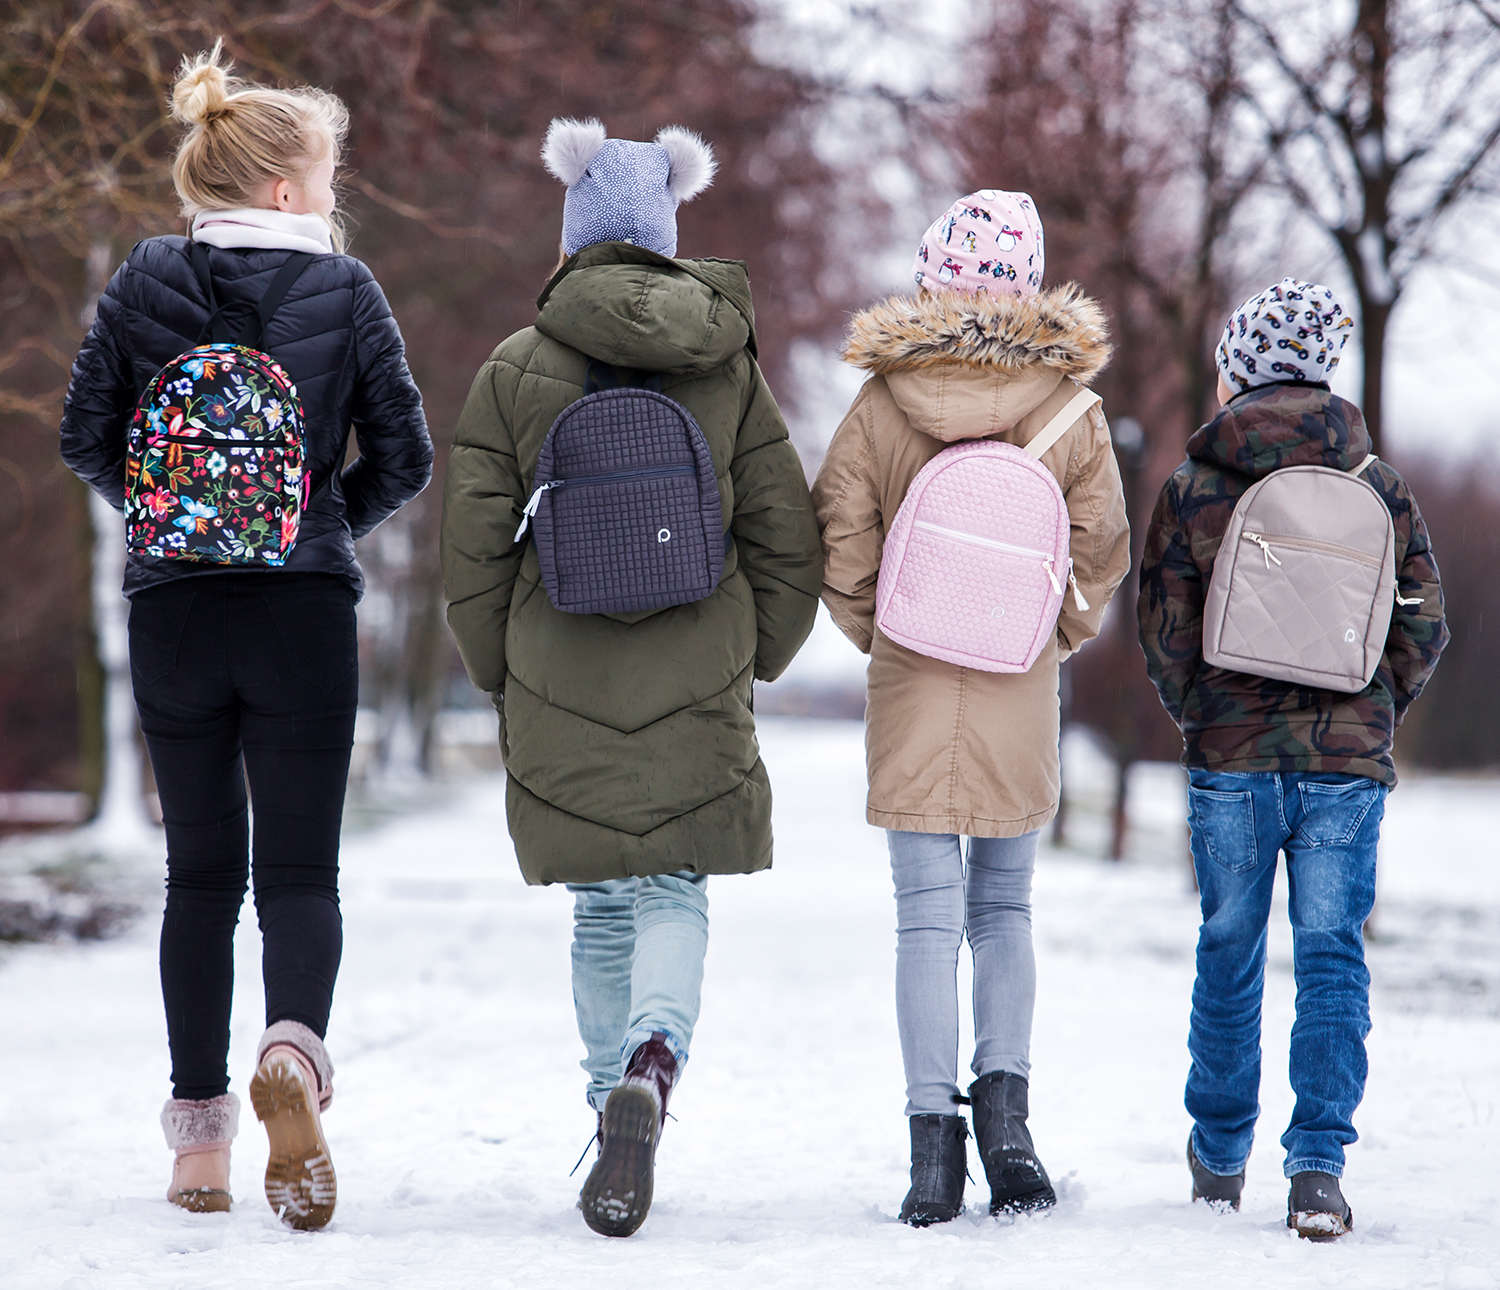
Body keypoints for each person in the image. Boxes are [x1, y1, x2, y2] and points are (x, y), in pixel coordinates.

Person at [59, 43, 432, 1229]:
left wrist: (168, 520)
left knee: (199, 880)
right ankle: (294, 1055)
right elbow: (405, 457)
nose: (335, 194)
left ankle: (199, 1148)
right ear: (282, 188)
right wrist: (317, 525)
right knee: (301, 874)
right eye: (328, 174)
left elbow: (85, 437)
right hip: (300, 614)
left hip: (174, 615)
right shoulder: (348, 291)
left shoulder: (139, 280)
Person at [439, 117, 820, 1238]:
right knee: (674, 885)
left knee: (602, 901)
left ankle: (608, 1086)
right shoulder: (727, 365)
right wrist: (753, 656)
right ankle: (653, 1063)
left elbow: (472, 548)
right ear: (666, 232)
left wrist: (496, 671)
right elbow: (786, 538)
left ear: (569, 235)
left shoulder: (516, 368)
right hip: (700, 663)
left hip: (556, 665)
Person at [812, 191, 1130, 1225]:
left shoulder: (879, 403)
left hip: (911, 682)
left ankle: (931, 1155)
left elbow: (840, 542)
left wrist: (890, 633)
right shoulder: (1071, 407)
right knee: (1005, 911)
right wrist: (1043, 637)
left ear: (930, 275)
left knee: (923, 920)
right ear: (1031, 283)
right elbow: (1102, 555)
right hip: (1017, 682)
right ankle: (1010, 1131)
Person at [1137, 279, 1448, 1238]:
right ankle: (1317, 1170)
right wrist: (1374, 708)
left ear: (1239, 361)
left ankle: (1220, 1153)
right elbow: (1425, 623)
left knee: (1228, 952)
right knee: (1331, 960)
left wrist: (1203, 714)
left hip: (1229, 754)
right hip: (1344, 768)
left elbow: (1161, 627)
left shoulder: (1197, 480)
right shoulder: (1377, 484)